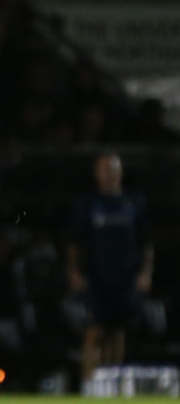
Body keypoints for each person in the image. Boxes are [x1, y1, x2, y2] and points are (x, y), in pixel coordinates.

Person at [66, 152, 153, 386]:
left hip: (125, 276)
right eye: (103, 171)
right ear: (97, 174)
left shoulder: (133, 203)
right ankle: (89, 381)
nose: (108, 176)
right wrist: (74, 271)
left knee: (118, 331)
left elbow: (145, 243)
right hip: (96, 275)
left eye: (112, 170)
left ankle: (112, 381)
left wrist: (145, 273)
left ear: (120, 173)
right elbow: (75, 242)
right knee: (95, 330)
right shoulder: (89, 204)